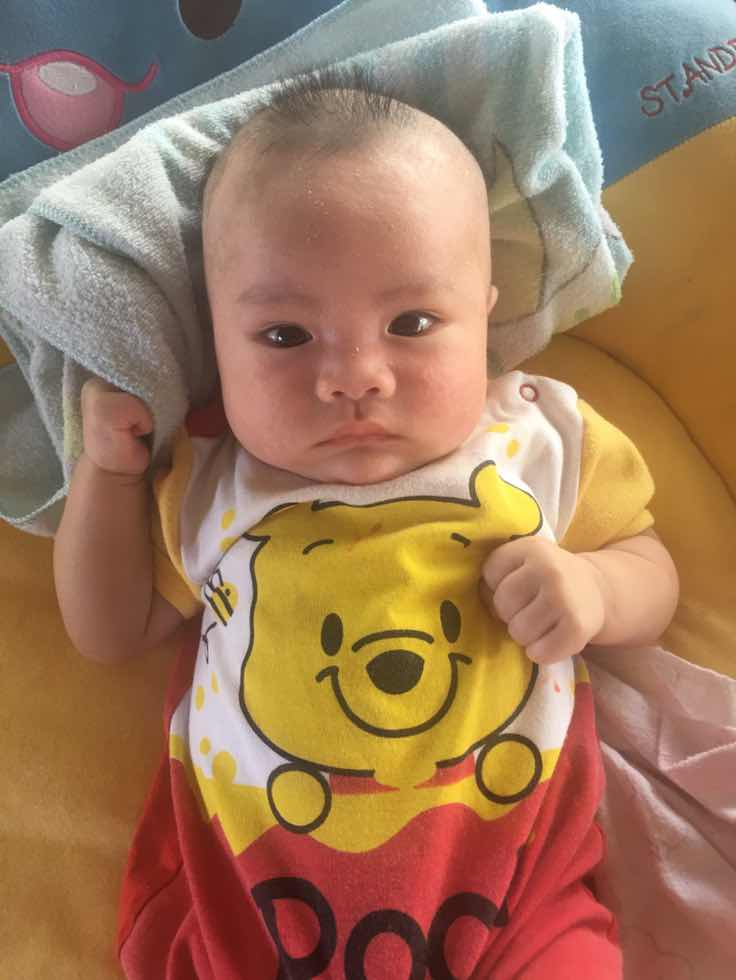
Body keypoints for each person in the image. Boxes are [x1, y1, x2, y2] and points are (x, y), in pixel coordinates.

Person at [53, 73, 678, 979]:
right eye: (285, 336)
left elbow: (651, 570)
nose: (355, 377)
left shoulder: (536, 439)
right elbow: (109, 631)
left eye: (412, 323)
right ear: (213, 337)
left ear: (485, 314)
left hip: (522, 910)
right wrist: (106, 479)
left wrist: (595, 588)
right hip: (253, 914)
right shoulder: (210, 481)